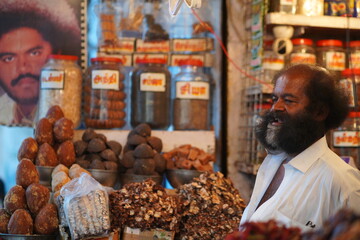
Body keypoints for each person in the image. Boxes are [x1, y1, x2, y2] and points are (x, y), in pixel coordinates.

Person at [240, 64, 360, 232]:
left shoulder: (342, 182)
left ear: (319, 112)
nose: (276, 107)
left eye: (288, 100)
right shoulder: (272, 162)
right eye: (275, 99)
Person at [0, 0, 81, 126]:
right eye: (9, 58)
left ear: (57, 54)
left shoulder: (68, 113)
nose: (22, 68)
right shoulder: (2, 112)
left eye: (34, 53)